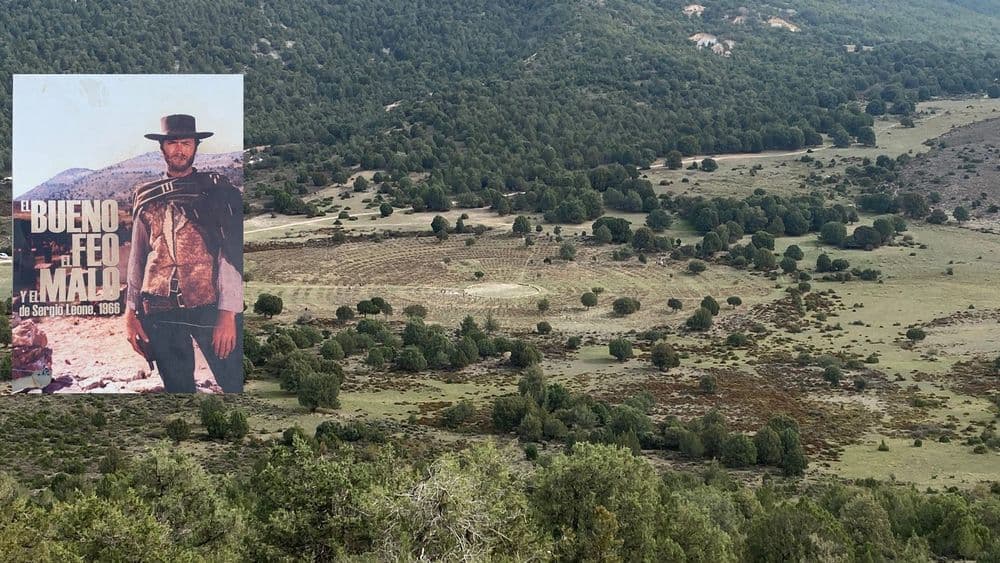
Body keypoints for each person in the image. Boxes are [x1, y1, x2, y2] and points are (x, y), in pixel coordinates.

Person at [123, 114, 244, 392]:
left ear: (195, 146)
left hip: (209, 305)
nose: (179, 149)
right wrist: (131, 313)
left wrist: (228, 314)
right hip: (159, 308)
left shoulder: (217, 192)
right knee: (178, 391)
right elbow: (137, 258)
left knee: (234, 381)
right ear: (162, 147)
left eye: (186, 143)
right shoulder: (146, 195)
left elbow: (230, 256)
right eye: (172, 143)